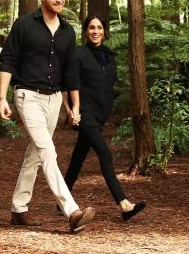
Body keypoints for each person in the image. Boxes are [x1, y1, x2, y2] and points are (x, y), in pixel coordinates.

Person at [0, 0, 96, 234]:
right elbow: (7, 60)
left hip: (53, 99)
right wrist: (2, 98)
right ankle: (71, 210)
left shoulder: (67, 31)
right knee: (48, 151)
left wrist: (73, 106)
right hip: (27, 96)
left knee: (36, 155)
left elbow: (70, 72)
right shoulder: (24, 25)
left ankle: (19, 209)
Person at [62, 15, 146, 221]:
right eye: (91, 27)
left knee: (78, 158)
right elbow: (66, 84)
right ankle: (124, 205)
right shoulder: (78, 55)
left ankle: (61, 200)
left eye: (99, 27)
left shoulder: (109, 57)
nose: (95, 31)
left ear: (105, 31)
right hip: (85, 112)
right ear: (85, 31)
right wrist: (70, 110)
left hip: (100, 115)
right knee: (105, 154)